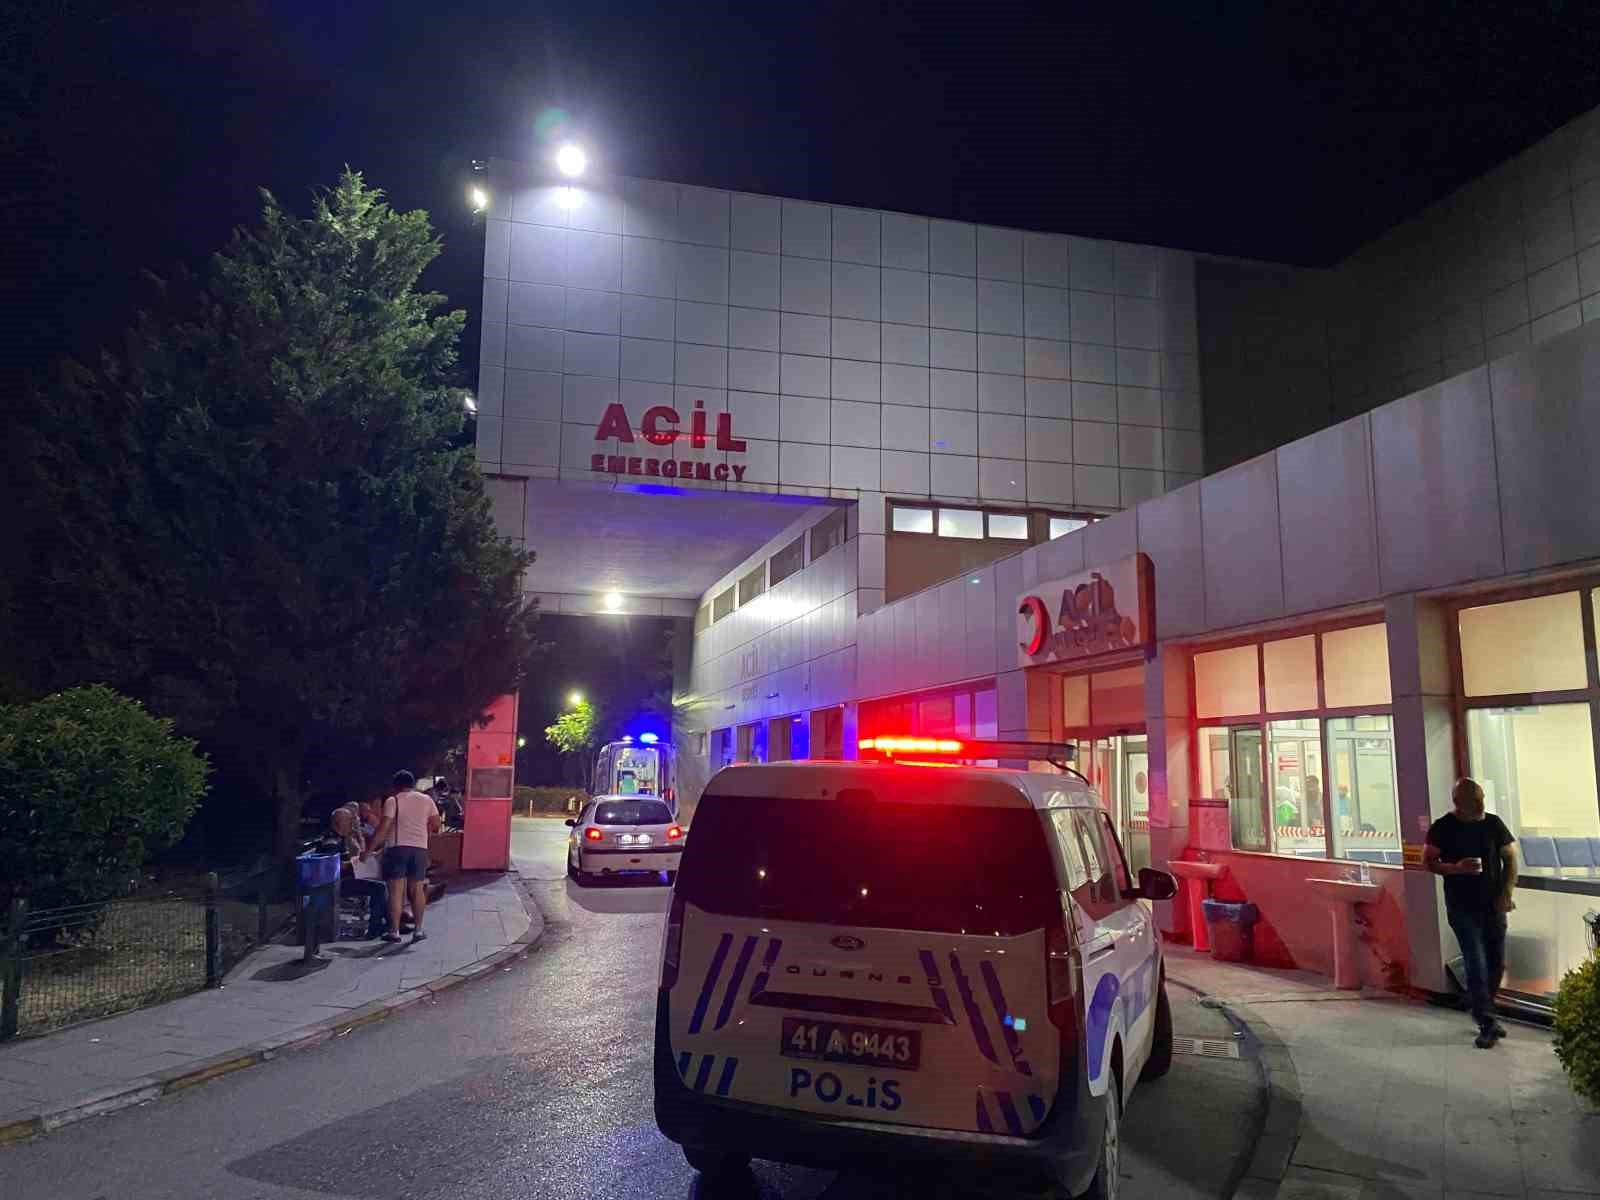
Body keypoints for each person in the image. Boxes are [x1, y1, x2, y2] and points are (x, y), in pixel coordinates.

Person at [1424, 777, 1518, 1049]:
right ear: (1458, 802)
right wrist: (1456, 868)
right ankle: (1487, 1022)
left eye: (1481, 798)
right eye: (1474, 800)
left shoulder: (1493, 824)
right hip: (1462, 907)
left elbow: (1511, 859)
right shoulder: (1443, 828)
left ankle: (1483, 1010)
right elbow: (1428, 861)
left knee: (1497, 963)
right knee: (1475, 962)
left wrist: (1506, 893)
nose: (1480, 804)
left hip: (1493, 905)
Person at [367, 769, 441, 944]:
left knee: (396, 892)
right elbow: (436, 824)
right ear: (412, 784)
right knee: (417, 890)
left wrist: (369, 850)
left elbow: (384, 827)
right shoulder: (426, 799)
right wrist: (423, 831)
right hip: (419, 849)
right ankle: (418, 930)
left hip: (397, 849)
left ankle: (394, 932)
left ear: (396, 786)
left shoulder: (393, 800)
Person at [330, 807, 387, 939]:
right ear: (338, 822)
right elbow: (335, 866)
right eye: (348, 820)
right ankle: (376, 927)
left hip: (346, 879)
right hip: (338, 884)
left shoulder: (341, 838)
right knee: (379, 887)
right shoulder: (332, 841)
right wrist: (356, 862)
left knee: (382, 882)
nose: (351, 823)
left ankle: (388, 923)